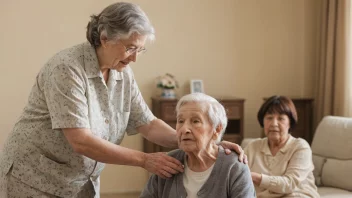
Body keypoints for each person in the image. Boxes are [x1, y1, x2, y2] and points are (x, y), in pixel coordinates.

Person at [0, 2, 245, 198]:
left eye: (140, 49)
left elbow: (147, 123)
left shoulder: (122, 72)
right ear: (104, 38)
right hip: (34, 178)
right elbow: (81, 142)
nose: (135, 58)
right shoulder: (67, 69)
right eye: (130, 48)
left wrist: (200, 142)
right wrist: (145, 160)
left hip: (80, 182)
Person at [140, 93, 256, 198]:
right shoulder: (167, 164)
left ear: (217, 129)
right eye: (180, 121)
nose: (184, 129)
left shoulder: (234, 167)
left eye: (195, 121)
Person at [244, 96, 319, 197]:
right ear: (263, 121)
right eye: (269, 118)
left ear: (290, 123)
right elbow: (236, 174)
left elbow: (290, 183)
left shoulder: (300, 147)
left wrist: (255, 177)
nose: (274, 124)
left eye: (281, 118)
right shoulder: (253, 147)